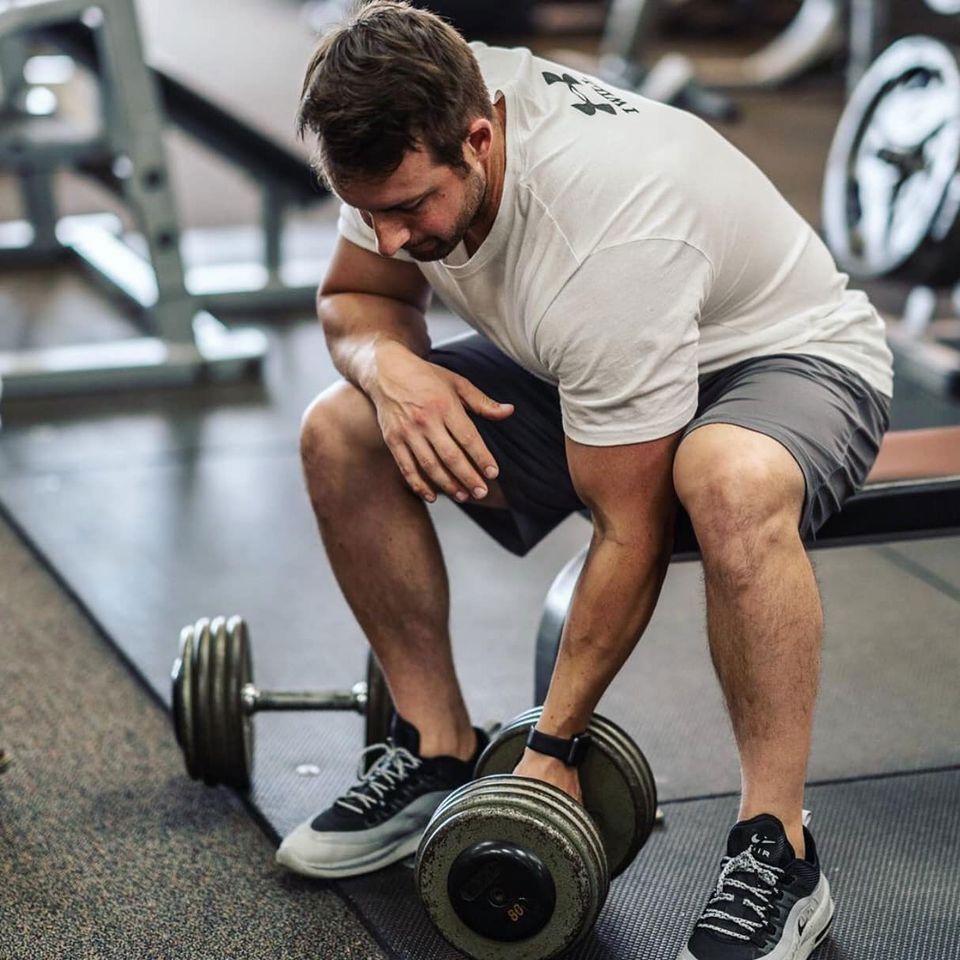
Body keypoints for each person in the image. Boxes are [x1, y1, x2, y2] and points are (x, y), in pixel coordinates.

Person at [277, 3, 893, 958]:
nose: (389, 237)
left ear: (479, 138)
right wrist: (386, 369)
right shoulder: (418, 94)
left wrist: (551, 751)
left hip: (783, 356)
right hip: (584, 357)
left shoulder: (603, 239)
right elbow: (358, 298)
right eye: (369, 212)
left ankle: (779, 848)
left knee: (722, 475)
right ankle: (436, 747)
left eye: (409, 210)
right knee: (343, 429)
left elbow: (628, 527)